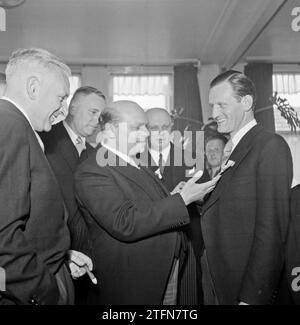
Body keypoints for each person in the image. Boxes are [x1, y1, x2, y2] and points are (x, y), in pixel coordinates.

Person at [74, 100, 220, 305]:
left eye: (145, 127)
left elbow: (146, 205)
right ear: (111, 130)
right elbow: (125, 222)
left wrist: (173, 197)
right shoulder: (93, 169)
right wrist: (182, 199)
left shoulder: (135, 162)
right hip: (133, 281)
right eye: (137, 128)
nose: (146, 133)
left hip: (162, 270)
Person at [0, 48, 92, 305]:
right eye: (61, 98)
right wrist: (45, 292)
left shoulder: (15, 125)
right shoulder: (9, 125)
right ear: (33, 88)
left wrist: (60, 254)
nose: (63, 111)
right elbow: (3, 238)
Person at [200, 70, 293, 305]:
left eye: (221, 105)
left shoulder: (270, 146)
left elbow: (271, 232)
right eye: (212, 106)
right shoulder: (233, 147)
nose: (213, 114)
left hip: (244, 289)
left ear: (247, 102)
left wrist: (251, 298)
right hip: (220, 282)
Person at [39, 86, 105, 304]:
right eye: (93, 112)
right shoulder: (44, 139)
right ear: (73, 107)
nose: (97, 120)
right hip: (54, 256)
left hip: (87, 257)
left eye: (101, 115)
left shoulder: (94, 154)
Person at [145, 107, 201, 304]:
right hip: (148, 246)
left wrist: (193, 195)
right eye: (153, 127)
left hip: (186, 243)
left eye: (165, 127)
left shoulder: (191, 158)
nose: (160, 132)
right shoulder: (133, 161)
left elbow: (206, 200)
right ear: (144, 130)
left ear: (171, 128)